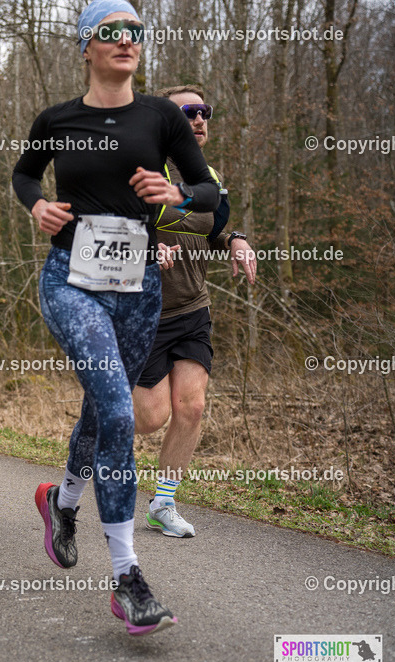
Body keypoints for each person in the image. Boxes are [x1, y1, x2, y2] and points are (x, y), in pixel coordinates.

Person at [12, 0, 220, 634]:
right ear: (87, 47)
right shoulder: (58, 118)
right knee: (122, 410)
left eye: (136, 31)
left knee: (102, 409)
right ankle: (128, 577)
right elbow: (24, 174)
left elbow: (214, 195)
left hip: (138, 291)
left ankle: (62, 501)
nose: (127, 40)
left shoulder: (160, 116)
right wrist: (38, 206)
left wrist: (179, 195)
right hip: (70, 281)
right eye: (112, 32)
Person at [132, 85, 256, 538]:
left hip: (192, 309)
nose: (200, 119)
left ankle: (163, 503)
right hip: (143, 312)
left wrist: (236, 240)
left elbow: (217, 229)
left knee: (193, 406)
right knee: (149, 419)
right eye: (189, 112)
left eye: (205, 111)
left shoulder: (211, 178)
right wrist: (145, 251)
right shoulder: (140, 172)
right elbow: (104, 233)